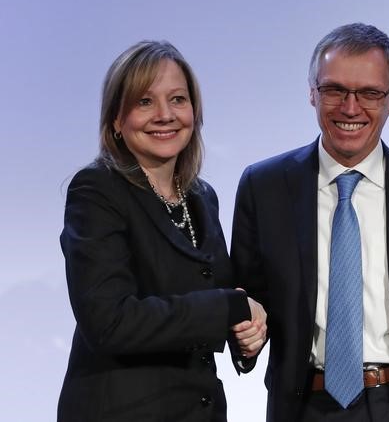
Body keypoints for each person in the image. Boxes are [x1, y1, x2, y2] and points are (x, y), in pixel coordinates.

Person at [230, 23, 389, 421]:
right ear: (312, 92)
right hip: (304, 406)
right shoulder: (264, 187)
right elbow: (248, 301)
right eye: (334, 90)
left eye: (369, 93)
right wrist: (244, 336)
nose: (350, 108)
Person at [58, 40, 267, 422]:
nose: (165, 115)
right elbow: (110, 322)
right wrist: (227, 308)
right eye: (144, 102)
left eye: (178, 99)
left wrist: (247, 332)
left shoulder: (202, 197)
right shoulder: (97, 190)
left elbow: (223, 296)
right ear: (116, 120)